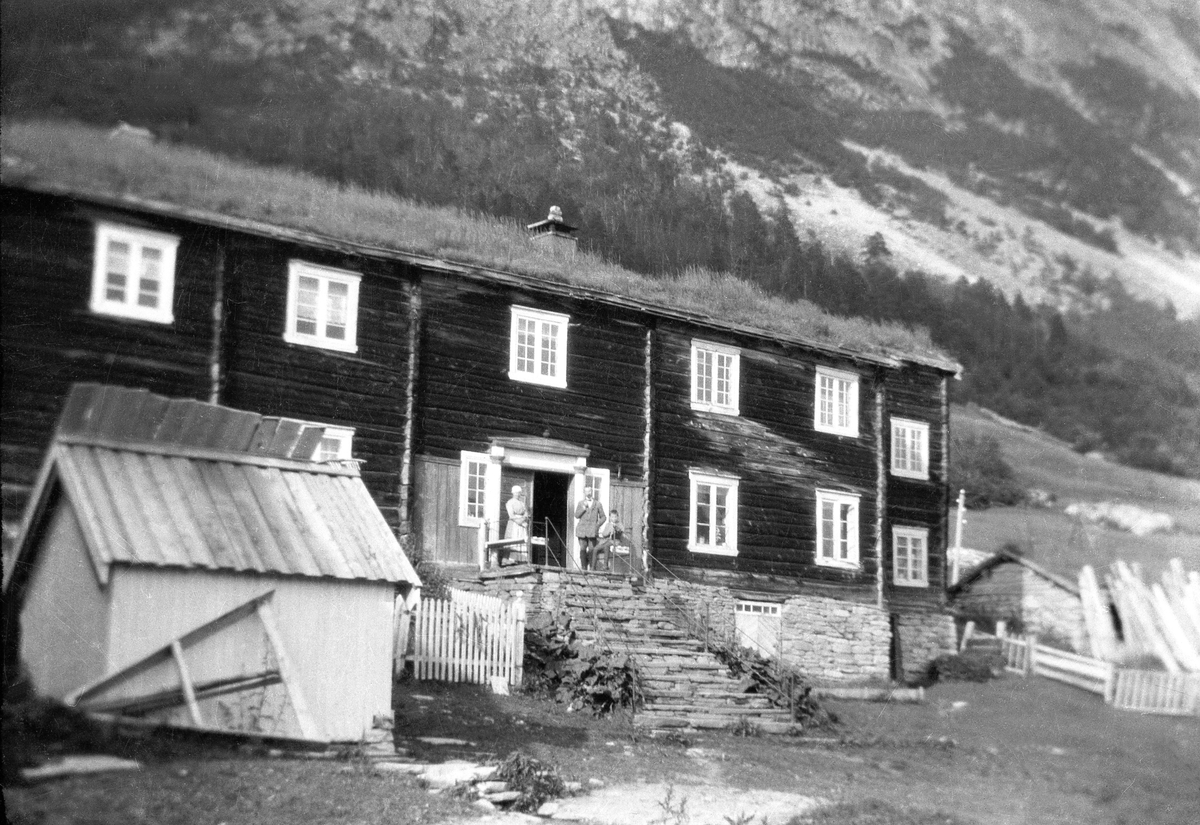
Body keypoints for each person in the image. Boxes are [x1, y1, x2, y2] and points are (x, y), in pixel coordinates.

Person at [574, 486, 605, 570]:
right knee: (583, 549)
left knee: (592, 550)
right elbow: (576, 515)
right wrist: (584, 508)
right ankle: (583, 568)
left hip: (592, 531)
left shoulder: (598, 504)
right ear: (584, 492)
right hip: (582, 530)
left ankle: (592, 569)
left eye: (590, 491)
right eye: (587, 491)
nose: (589, 493)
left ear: (592, 492)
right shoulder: (581, 503)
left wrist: (597, 525)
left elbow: (603, 517)